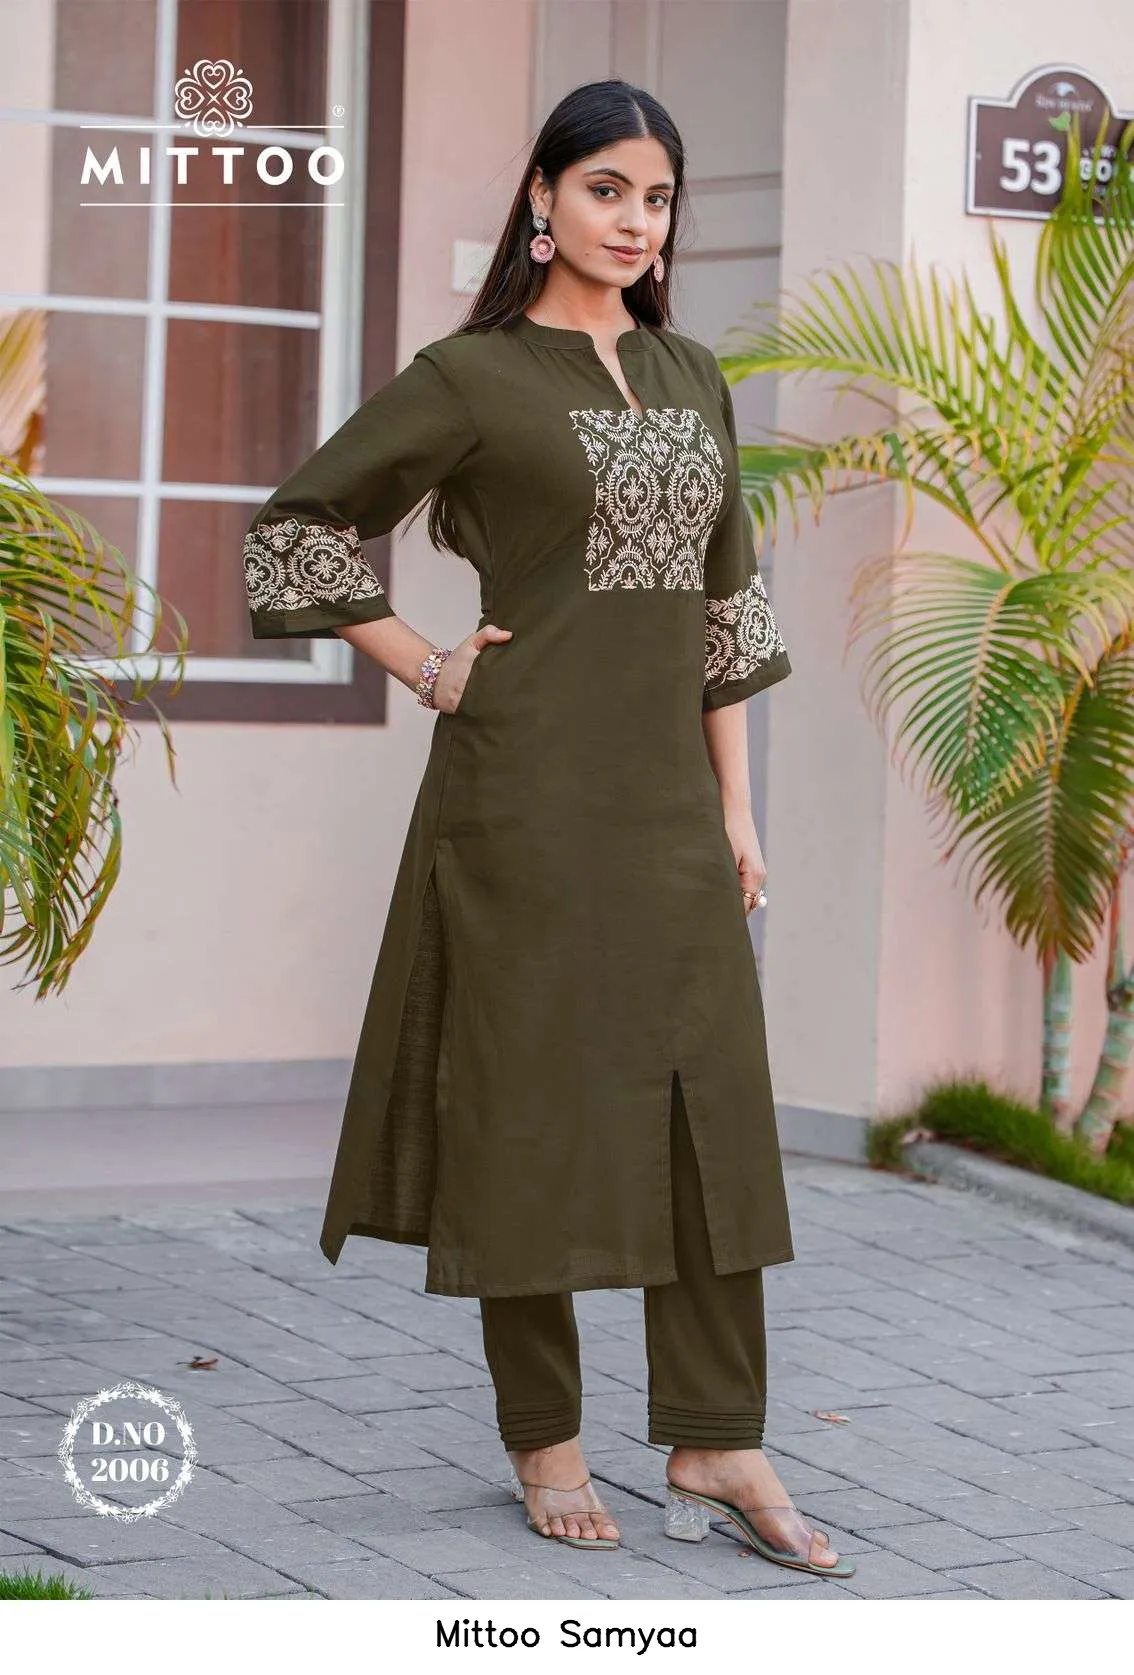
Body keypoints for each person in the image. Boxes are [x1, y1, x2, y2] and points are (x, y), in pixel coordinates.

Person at [241, 78, 851, 1581]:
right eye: (605, 190)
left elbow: (723, 608)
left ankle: (715, 1431)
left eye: (656, 197)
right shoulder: (471, 376)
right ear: (543, 199)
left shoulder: (693, 373)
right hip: (520, 795)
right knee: (527, 1105)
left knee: (707, 1108)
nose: (634, 222)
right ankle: (546, 1436)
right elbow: (297, 526)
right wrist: (425, 665)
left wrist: (736, 807)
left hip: (667, 805)